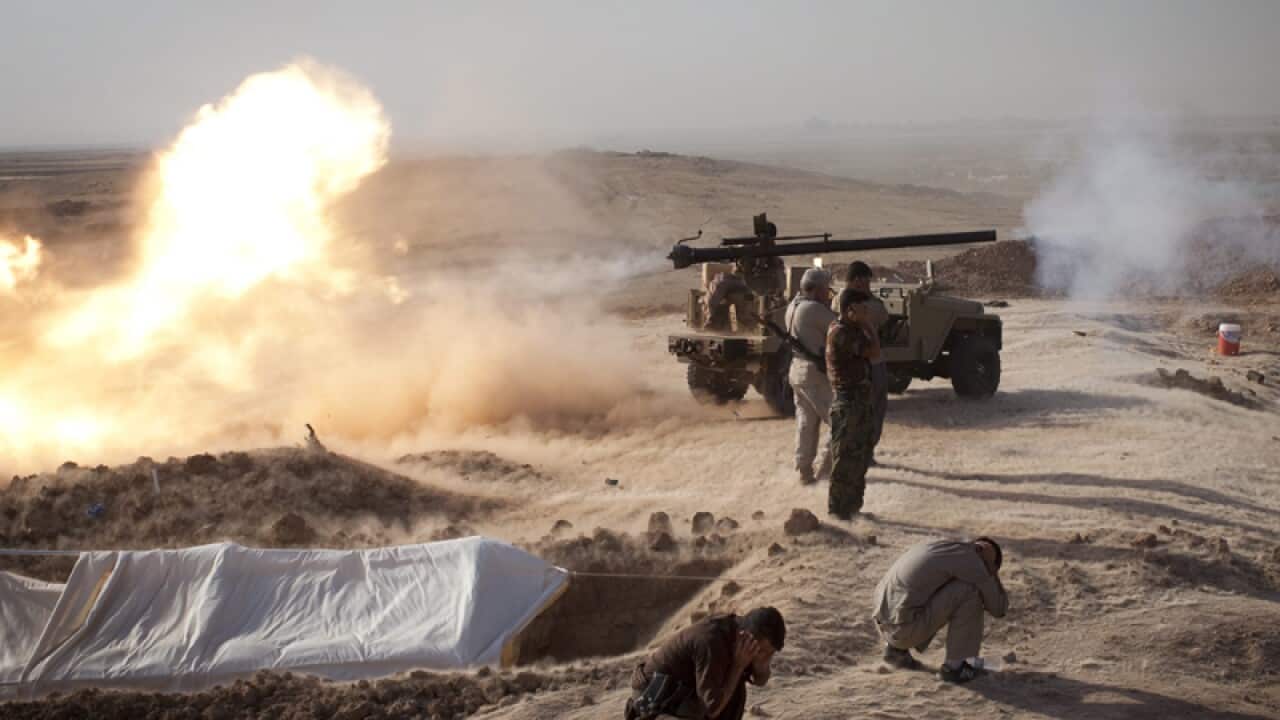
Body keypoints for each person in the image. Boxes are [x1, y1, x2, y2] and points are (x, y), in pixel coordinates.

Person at [872, 537, 1009, 684]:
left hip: (884, 626)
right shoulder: (973, 562)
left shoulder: (940, 545)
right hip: (903, 631)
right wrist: (990, 568)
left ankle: (896, 652)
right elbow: (999, 608)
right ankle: (958, 667)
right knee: (970, 591)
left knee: (936, 584)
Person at [626, 607, 786, 720]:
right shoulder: (712, 642)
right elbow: (712, 708)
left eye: (770, 653)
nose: (764, 656)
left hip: (683, 702)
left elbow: (760, 680)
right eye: (763, 651)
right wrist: (738, 666)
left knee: (735, 691)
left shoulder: (742, 640)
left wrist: (760, 663)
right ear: (746, 636)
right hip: (653, 703)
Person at [824, 288, 880, 519]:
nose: (867, 312)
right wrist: (869, 327)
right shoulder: (841, 333)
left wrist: (863, 323)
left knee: (860, 456)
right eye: (862, 308)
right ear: (849, 310)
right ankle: (837, 511)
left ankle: (852, 508)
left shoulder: (850, 329)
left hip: (858, 401)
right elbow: (875, 352)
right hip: (848, 403)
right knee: (845, 459)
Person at [784, 268, 836, 485]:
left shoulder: (793, 306)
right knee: (840, 422)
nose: (828, 294)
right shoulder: (814, 309)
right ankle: (826, 469)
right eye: (825, 290)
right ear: (815, 289)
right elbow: (838, 326)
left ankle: (804, 469)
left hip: (797, 370)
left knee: (806, 422)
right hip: (813, 373)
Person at [843, 262, 890, 464]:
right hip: (871, 362)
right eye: (866, 280)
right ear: (858, 281)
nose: (869, 284)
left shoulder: (838, 300)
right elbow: (883, 315)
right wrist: (869, 296)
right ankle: (865, 454)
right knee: (874, 408)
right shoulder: (866, 306)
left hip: (851, 364)